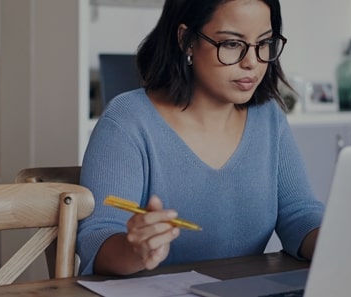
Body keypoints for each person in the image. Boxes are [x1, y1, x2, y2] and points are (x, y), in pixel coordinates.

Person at [77, 0, 324, 276]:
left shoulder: (269, 117)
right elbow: (97, 239)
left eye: (264, 43)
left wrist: (339, 241)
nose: (252, 62)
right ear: (187, 40)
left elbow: (298, 214)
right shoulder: (128, 120)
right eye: (232, 44)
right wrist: (134, 250)